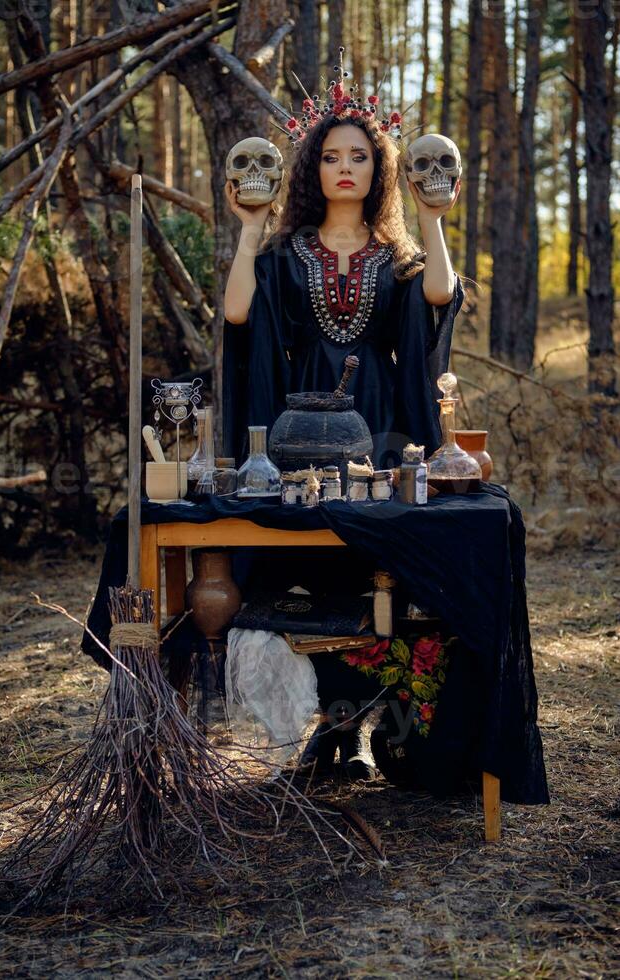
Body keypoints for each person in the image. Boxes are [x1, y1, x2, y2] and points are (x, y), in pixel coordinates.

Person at [222, 99, 464, 781]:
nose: (345, 167)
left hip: (380, 427)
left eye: (359, 155)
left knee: (372, 573)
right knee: (312, 571)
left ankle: (366, 727)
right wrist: (249, 227)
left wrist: (431, 219)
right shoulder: (288, 253)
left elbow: (440, 295)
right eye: (331, 156)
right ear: (312, 169)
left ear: (380, 169)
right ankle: (324, 732)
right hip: (301, 426)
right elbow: (239, 312)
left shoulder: (396, 256)